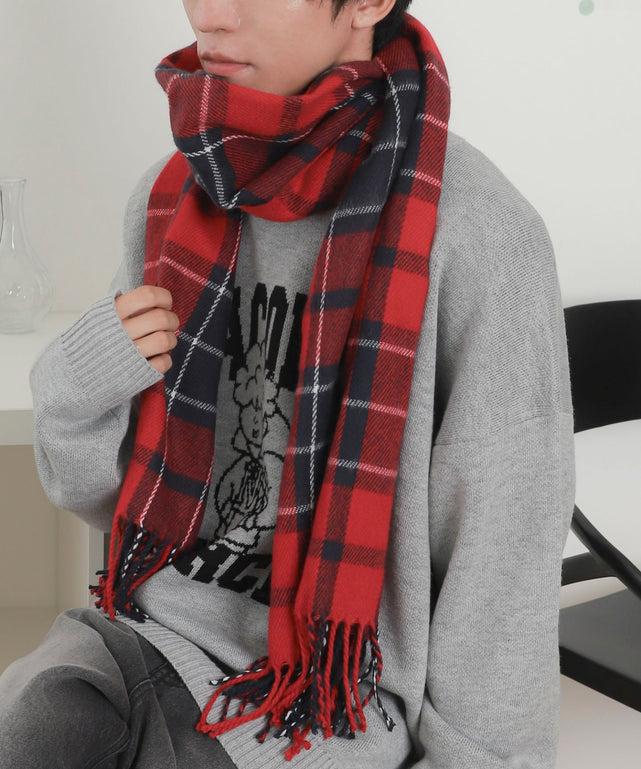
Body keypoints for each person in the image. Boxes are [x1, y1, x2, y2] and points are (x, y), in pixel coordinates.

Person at [0, 0, 575, 767]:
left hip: (329, 696)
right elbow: (104, 499)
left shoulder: (476, 235)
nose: (210, 15)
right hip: (146, 629)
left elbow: (502, 556)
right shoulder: (174, 198)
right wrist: (76, 381)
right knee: (30, 722)